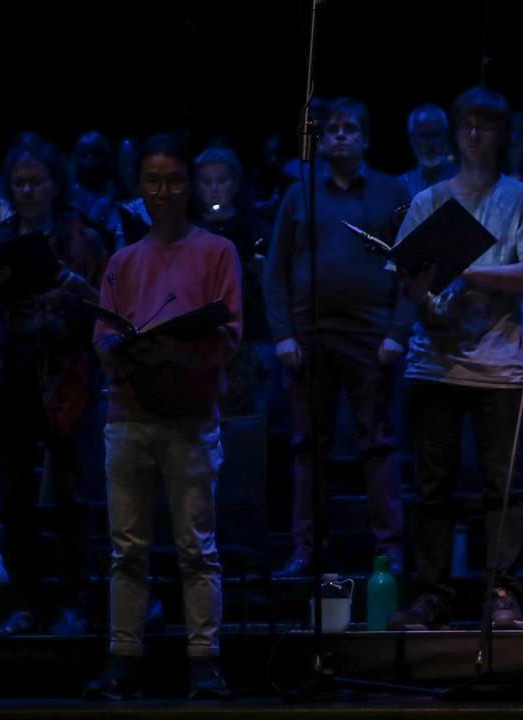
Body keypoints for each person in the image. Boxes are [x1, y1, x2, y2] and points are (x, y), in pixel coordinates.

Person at [392, 87, 523, 630]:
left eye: (485, 125)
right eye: (466, 124)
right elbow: (411, 285)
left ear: (501, 134)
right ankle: (431, 593)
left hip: (500, 368)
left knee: (502, 487)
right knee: (433, 488)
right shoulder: (428, 200)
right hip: (434, 365)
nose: (473, 135)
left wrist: (463, 269)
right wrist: (419, 290)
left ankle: (502, 591)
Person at [85, 133, 242, 700]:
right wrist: (131, 351)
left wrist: (175, 349)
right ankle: (122, 655)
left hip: (190, 416)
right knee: (127, 549)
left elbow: (229, 333)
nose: (164, 190)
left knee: (197, 547)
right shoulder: (123, 260)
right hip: (129, 416)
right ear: (141, 188)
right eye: (153, 181)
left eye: (174, 180)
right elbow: (103, 335)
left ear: (190, 185)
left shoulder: (216, 252)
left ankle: (205, 659)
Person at [264, 97, 412, 578]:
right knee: (309, 445)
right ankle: (308, 549)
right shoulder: (300, 192)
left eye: (351, 128)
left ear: (366, 138)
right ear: (321, 139)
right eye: (332, 129)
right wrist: (284, 334)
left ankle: (389, 550)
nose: (341, 135)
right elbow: (275, 271)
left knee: (378, 443)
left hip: (371, 338)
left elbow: (412, 268)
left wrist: (397, 330)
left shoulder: (391, 192)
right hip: (309, 337)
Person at [0, 135, 108, 637]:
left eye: (37, 181)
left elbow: (99, 302)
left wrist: (56, 310)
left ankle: (76, 603)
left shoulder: (82, 237)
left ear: (56, 185)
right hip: (8, 377)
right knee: (15, 499)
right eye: (19, 182)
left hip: (64, 380)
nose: (28, 189)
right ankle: (27, 603)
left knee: (72, 495)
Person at [193, 147, 273, 416]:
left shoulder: (255, 228)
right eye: (206, 182)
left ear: (235, 184)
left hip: (248, 338)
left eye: (222, 180)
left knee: (247, 417)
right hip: (200, 341)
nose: (214, 189)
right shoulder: (187, 231)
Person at [398, 104, 459, 198]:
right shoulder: (400, 186)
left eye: (435, 134)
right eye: (423, 135)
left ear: (446, 136)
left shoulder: (468, 182)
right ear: (411, 138)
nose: (430, 142)